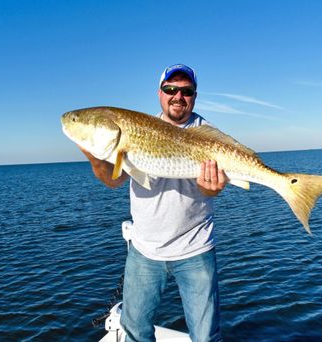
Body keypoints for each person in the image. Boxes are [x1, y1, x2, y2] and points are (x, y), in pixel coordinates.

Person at [80, 64, 227, 342]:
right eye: (170, 89)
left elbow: (211, 190)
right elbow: (114, 181)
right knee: (135, 332)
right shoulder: (139, 129)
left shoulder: (207, 134)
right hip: (144, 251)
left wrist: (213, 189)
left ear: (195, 96)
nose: (178, 96)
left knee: (206, 336)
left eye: (186, 91)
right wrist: (95, 155)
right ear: (159, 93)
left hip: (195, 248)